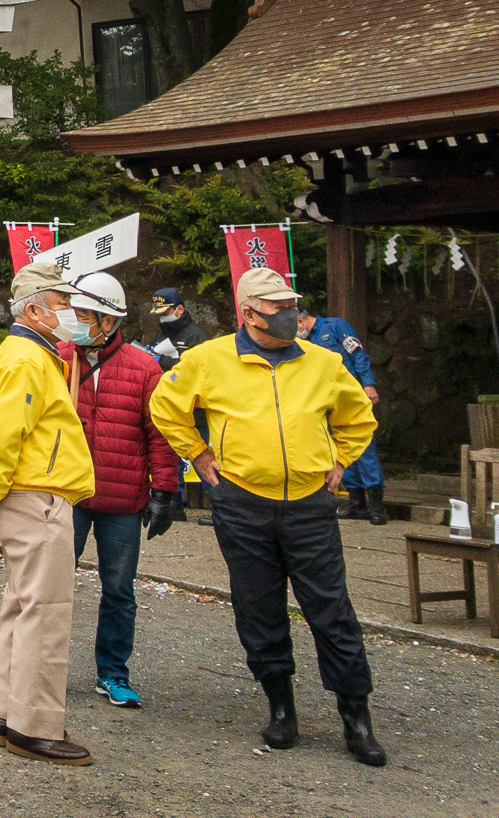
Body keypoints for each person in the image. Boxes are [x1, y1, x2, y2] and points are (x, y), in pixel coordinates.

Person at [149, 266, 385, 766]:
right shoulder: (209, 359)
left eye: (290, 305)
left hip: (309, 503)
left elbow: (357, 416)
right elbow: (165, 405)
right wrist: (197, 452)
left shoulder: (322, 362)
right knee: (258, 607)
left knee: (331, 608)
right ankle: (281, 706)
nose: (288, 314)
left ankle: (355, 714)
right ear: (248, 313)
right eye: (277, 307)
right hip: (242, 501)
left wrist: (340, 459)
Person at [0, 257, 97, 767]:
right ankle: (33, 725)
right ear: (36, 310)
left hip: (27, 491)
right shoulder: (28, 358)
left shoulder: (25, 353)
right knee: (47, 610)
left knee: (22, 606)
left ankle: (5, 712)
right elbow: (2, 432)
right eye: (64, 304)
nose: (72, 313)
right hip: (37, 494)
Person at [59, 272, 178, 710]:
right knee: (52, 586)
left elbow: (161, 434)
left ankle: (113, 673)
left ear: (109, 321)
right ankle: (45, 669)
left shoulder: (144, 367)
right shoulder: (57, 357)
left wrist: (165, 490)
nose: (74, 321)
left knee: (119, 589)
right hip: (66, 495)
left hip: (123, 498)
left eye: (83, 315)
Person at [296, 304, 386, 524]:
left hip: (352, 396)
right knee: (341, 450)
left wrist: (368, 384)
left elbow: (357, 354)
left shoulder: (335, 326)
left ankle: (377, 508)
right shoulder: (304, 342)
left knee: (364, 447)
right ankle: (357, 504)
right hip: (328, 401)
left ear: (302, 320)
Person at [146, 288, 208, 521]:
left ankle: (222, 508)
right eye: (159, 313)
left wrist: (165, 361)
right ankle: (174, 505)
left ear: (180, 309)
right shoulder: (160, 335)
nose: (163, 317)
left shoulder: (198, 336)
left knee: (202, 457)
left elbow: (201, 371)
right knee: (170, 459)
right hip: (167, 409)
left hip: (195, 412)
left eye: (166, 312)